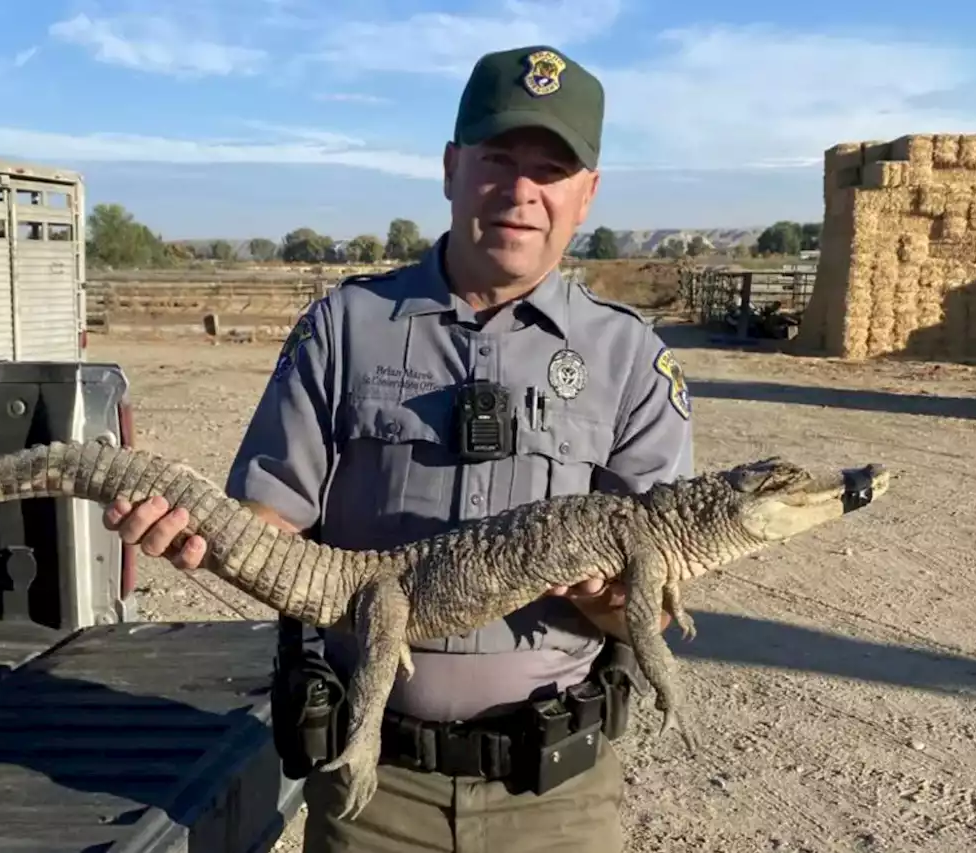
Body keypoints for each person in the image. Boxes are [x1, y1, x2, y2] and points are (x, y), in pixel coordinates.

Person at [104, 44, 694, 853]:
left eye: (551, 170)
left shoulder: (629, 357)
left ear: (586, 194)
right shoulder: (344, 327)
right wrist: (204, 538)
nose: (521, 192)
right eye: (497, 159)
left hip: (557, 800)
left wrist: (606, 595)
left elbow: (648, 606)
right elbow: (268, 523)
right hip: (374, 790)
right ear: (452, 168)